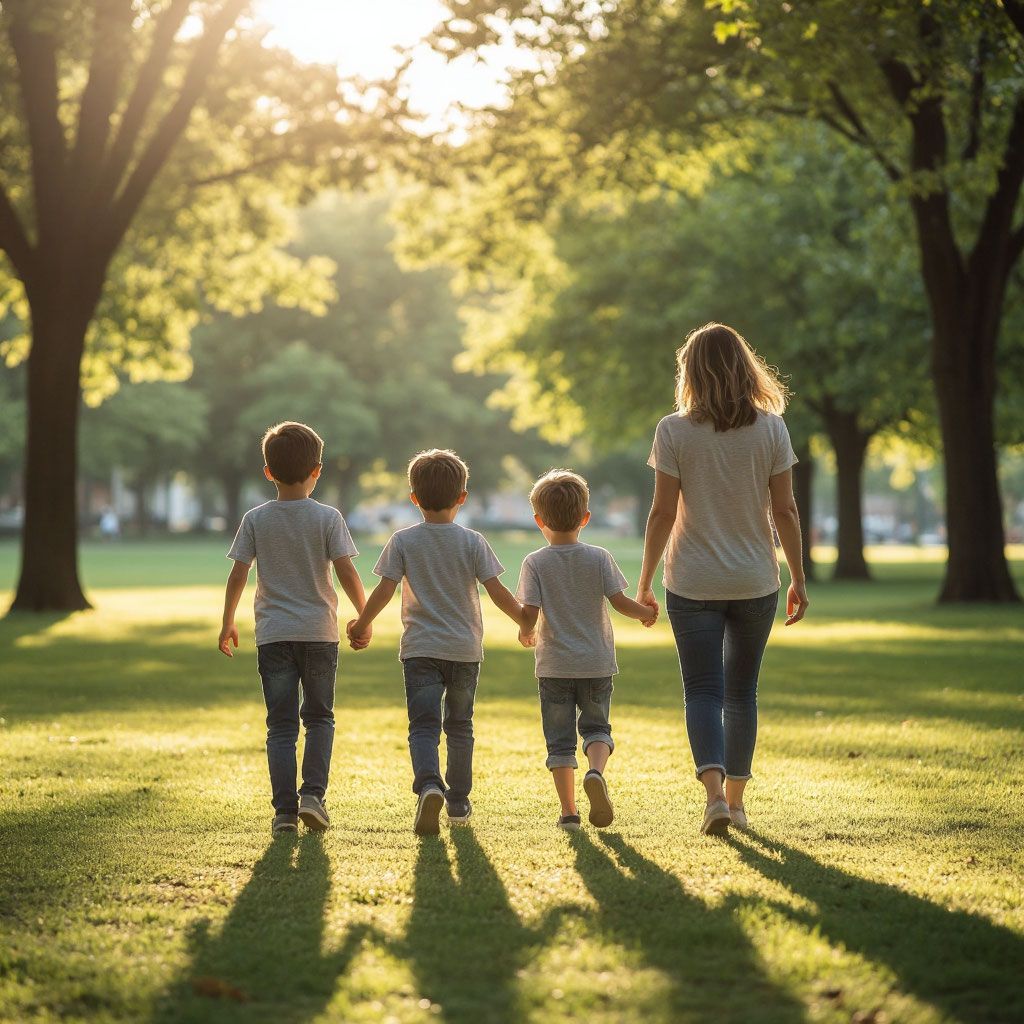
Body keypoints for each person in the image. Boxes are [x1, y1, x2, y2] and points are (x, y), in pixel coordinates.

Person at [636, 323, 809, 836]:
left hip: (691, 582)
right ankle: (735, 803)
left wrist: (644, 582)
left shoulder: (674, 430)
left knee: (703, 692)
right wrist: (798, 577)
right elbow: (787, 510)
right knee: (742, 693)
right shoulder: (772, 428)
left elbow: (661, 514)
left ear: (689, 371)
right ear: (744, 366)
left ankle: (712, 797)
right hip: (756, 579)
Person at [346, 449, 526, 835]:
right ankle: (458, 801)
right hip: (463, 651)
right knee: (460, 725)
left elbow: (384, 590)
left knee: (423, 725)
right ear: (462, 496)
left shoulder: (403, 540)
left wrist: (362, 622)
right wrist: (526, 621)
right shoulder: (473, 542)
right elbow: (497, 592)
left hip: (420, 650)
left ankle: (429, 785)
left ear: (413, 497)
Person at [218, 421, 367, 837]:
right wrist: (363, 615)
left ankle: (284, 812)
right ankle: (312, 797)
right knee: (320, 718)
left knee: (280, 725)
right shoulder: (328, 517)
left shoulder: (255, 519)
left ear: (268, 471)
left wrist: (229, 620)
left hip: (273, 634)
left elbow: (238, 575)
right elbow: (347, 571)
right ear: (317, 469)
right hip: (320, 633)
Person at [516, 470, 657, 832]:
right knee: (597, 728)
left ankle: (569, 813)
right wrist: (645, 613)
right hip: (596, 663)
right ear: (585, 518)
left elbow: (529, 611)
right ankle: (595, 772)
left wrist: (526, 630)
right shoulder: (599, 557)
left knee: (559, 742)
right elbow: (620, 602)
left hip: (554, 667)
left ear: (539, 521)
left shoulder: (535, 562)